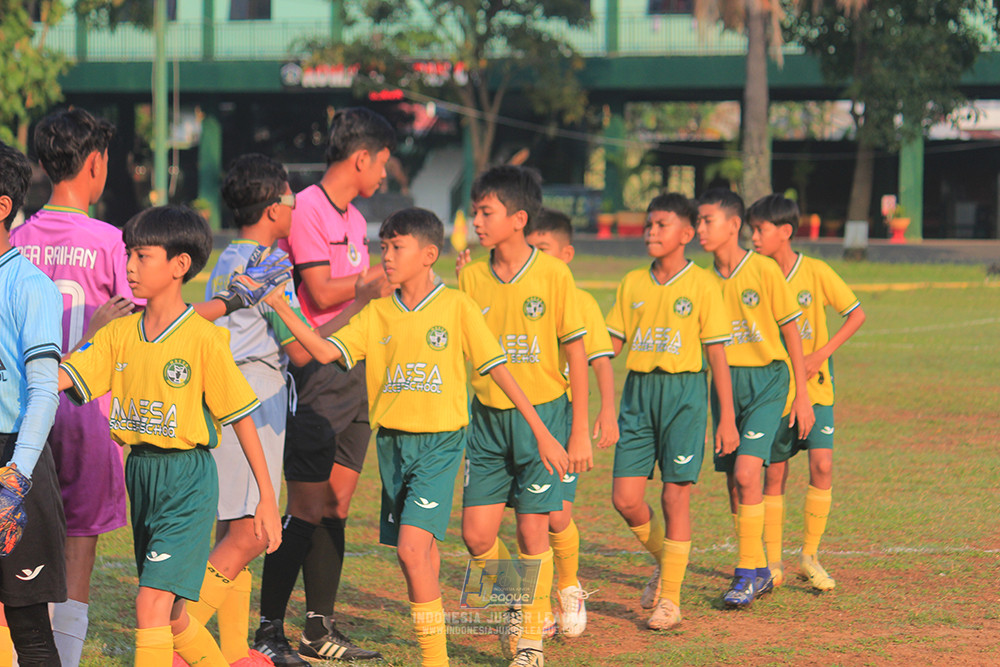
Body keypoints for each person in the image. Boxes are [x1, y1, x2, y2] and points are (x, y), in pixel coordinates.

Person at [262, 207, 569, 666]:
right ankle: (518, 600)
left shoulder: (457, 307)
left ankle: (450, 656)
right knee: (429, 553)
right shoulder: (378, 313)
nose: (385, 256)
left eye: (396, 247)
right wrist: (282, 306)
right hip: (394, 448)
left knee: (410, 551)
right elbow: (326, 350)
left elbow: (498, 370)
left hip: (440, 446)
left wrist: (543, 431)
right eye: (383, 246)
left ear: (428, 254)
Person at [58, 205, 282, 667]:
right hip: (140, 475)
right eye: (129, 255)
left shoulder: (203, 340)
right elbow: (62, 377)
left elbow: (242, 417)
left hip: (187, 481)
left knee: (150, 606)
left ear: (180, 265)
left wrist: (267, 496)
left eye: (143, 256)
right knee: (176, 614)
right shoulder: (119, 333)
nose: (130, 267)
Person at [254, 107, 393, 663]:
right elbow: (320, 289)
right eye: (382, 162)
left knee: (336, 504)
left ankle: (318, 628)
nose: (384, 174)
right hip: (315, 374)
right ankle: (268, 628)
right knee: (307, 507)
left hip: (356, 374)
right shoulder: (307, 207)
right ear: (360, 158)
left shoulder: (355, 219)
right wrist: (371, 283)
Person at [8, 108, 133, 667]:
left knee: (11, 548)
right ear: (97, 163)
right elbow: (136, 328)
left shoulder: (20, 237)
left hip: (17, 412)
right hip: (83, 415)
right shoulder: (110, 240)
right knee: (80, 545)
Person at [458, 165, 584, 667]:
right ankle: (522, 600)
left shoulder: (554, 274)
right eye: (475, 213)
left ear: (518, 218)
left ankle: (531, 640)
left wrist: (577, 430)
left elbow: (575, 350)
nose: (477, 222)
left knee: (534, 531)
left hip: (546, 419)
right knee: (476, 536)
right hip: (486, 421)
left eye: (486, 213)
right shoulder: (469, 275)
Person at [606, 193, 739, 629]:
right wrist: (579, 380)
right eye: (649, 224)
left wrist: (727, 419)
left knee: (673, 494)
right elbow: (612, 344)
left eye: (661, 225)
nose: (651, 231)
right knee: (625, 498)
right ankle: (668, 562)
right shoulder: (632, 283)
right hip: (638, 394)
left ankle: (671, 600)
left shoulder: (702, 284)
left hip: (684, 394)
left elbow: (717, 355)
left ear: (685, 234)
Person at [695, 188, 815, 609]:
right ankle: (760, 568)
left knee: (748, 473)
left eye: (707, 220)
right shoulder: (702, 281)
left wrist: (802, 395)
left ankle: (746, 574)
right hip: (725, 385)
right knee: (735, 480)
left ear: (732, 225)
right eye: (697, 221)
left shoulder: (764, 271)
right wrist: (722, 412)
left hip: (768, 382)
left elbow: (791, 334)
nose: (700, 229)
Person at [747, 194, 865, 591]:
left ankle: (809, 556)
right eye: (752, 230)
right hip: (775, 389)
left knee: (823, 465)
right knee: (775, 472)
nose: (754, 238)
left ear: (785, 232)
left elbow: (856, 314)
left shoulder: (814, 272)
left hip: (817, 386)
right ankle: (773, 562)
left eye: (760, 230)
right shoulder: (757, 276)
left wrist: (821, 353)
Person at [523, 208, 617, 637]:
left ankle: (568, 585)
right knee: (527, 520)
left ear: (566, 253)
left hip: (558, 416)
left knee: (556, 516)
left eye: (543, 249)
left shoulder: (578, 301)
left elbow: (597, 360)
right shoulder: (519, 290)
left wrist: (604, 411)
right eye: (532, 248)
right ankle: (535, 605)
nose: (536, 257)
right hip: (515, 416)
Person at [0, 140, 68, 666]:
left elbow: (45, 390)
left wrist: (14, 480)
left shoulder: (31, 287)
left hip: (14, 459)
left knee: (29, 630)